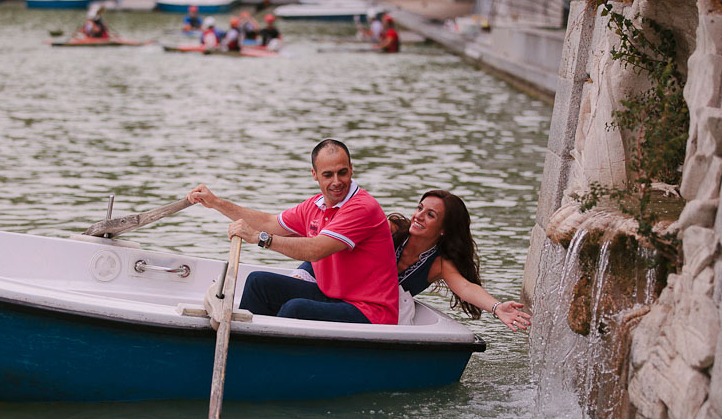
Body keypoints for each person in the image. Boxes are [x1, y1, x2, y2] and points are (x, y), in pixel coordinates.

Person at [186, 139, 399, 325]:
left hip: (371, 311)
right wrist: (215, 203)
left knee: (295, 310)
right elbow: (269, 222)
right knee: (259, 283)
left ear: (351, 169)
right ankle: (247, 348)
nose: (337, 181)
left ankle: (267, 359)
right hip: (336, 296)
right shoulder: (314, 206)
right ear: (314, 175)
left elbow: (316, 249)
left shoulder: (362, 207)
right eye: (328, 174)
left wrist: (258, 238)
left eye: (342, 172)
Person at [297, 190, 531, 331]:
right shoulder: (392, 230)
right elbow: (340, 237)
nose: (419, 216)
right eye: (420, 208)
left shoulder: (438, 264)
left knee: (297, 309)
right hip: (336, 286)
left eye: (430, 215)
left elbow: (465, 287)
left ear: (443, 229)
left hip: (364, 309)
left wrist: (497, 307)